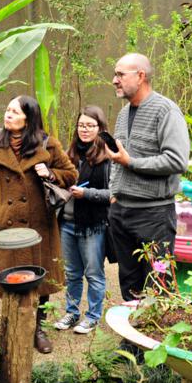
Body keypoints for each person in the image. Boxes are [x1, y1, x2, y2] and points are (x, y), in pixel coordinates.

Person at [0, 95, 78, 354]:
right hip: (7, 227)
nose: (7, 114)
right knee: (9, 278)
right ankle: (9, 326)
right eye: (7, 109)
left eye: (14, 111)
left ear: (28, 117)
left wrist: (51, 173)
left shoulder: (48, 145)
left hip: (39, 226)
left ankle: (38, 328)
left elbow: (71, 174)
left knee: (39, 277)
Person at [106, 53, 190, 302]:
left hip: (153, 215)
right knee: (129, 280)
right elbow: (117, 160)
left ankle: (156, 339)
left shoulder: (165, 110)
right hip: (121, 213)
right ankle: (132, 340)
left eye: (120, 74)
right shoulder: (123, 114)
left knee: (159, 282)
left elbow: (177, 161)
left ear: (140, 76)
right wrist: (113, 194)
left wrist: (131, 162)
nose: (114, 80)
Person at [53, 106, 112, 334]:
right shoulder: (70, 154)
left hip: (93, 225)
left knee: (94, 273)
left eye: (90, 125)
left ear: (100, 128)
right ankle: (72, 312)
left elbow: (113, 195)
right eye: (81, 125)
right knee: (72, 273)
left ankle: (93, 316)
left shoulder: (107, 158)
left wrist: (86, 194)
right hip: (67, 222)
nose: (84, 130)